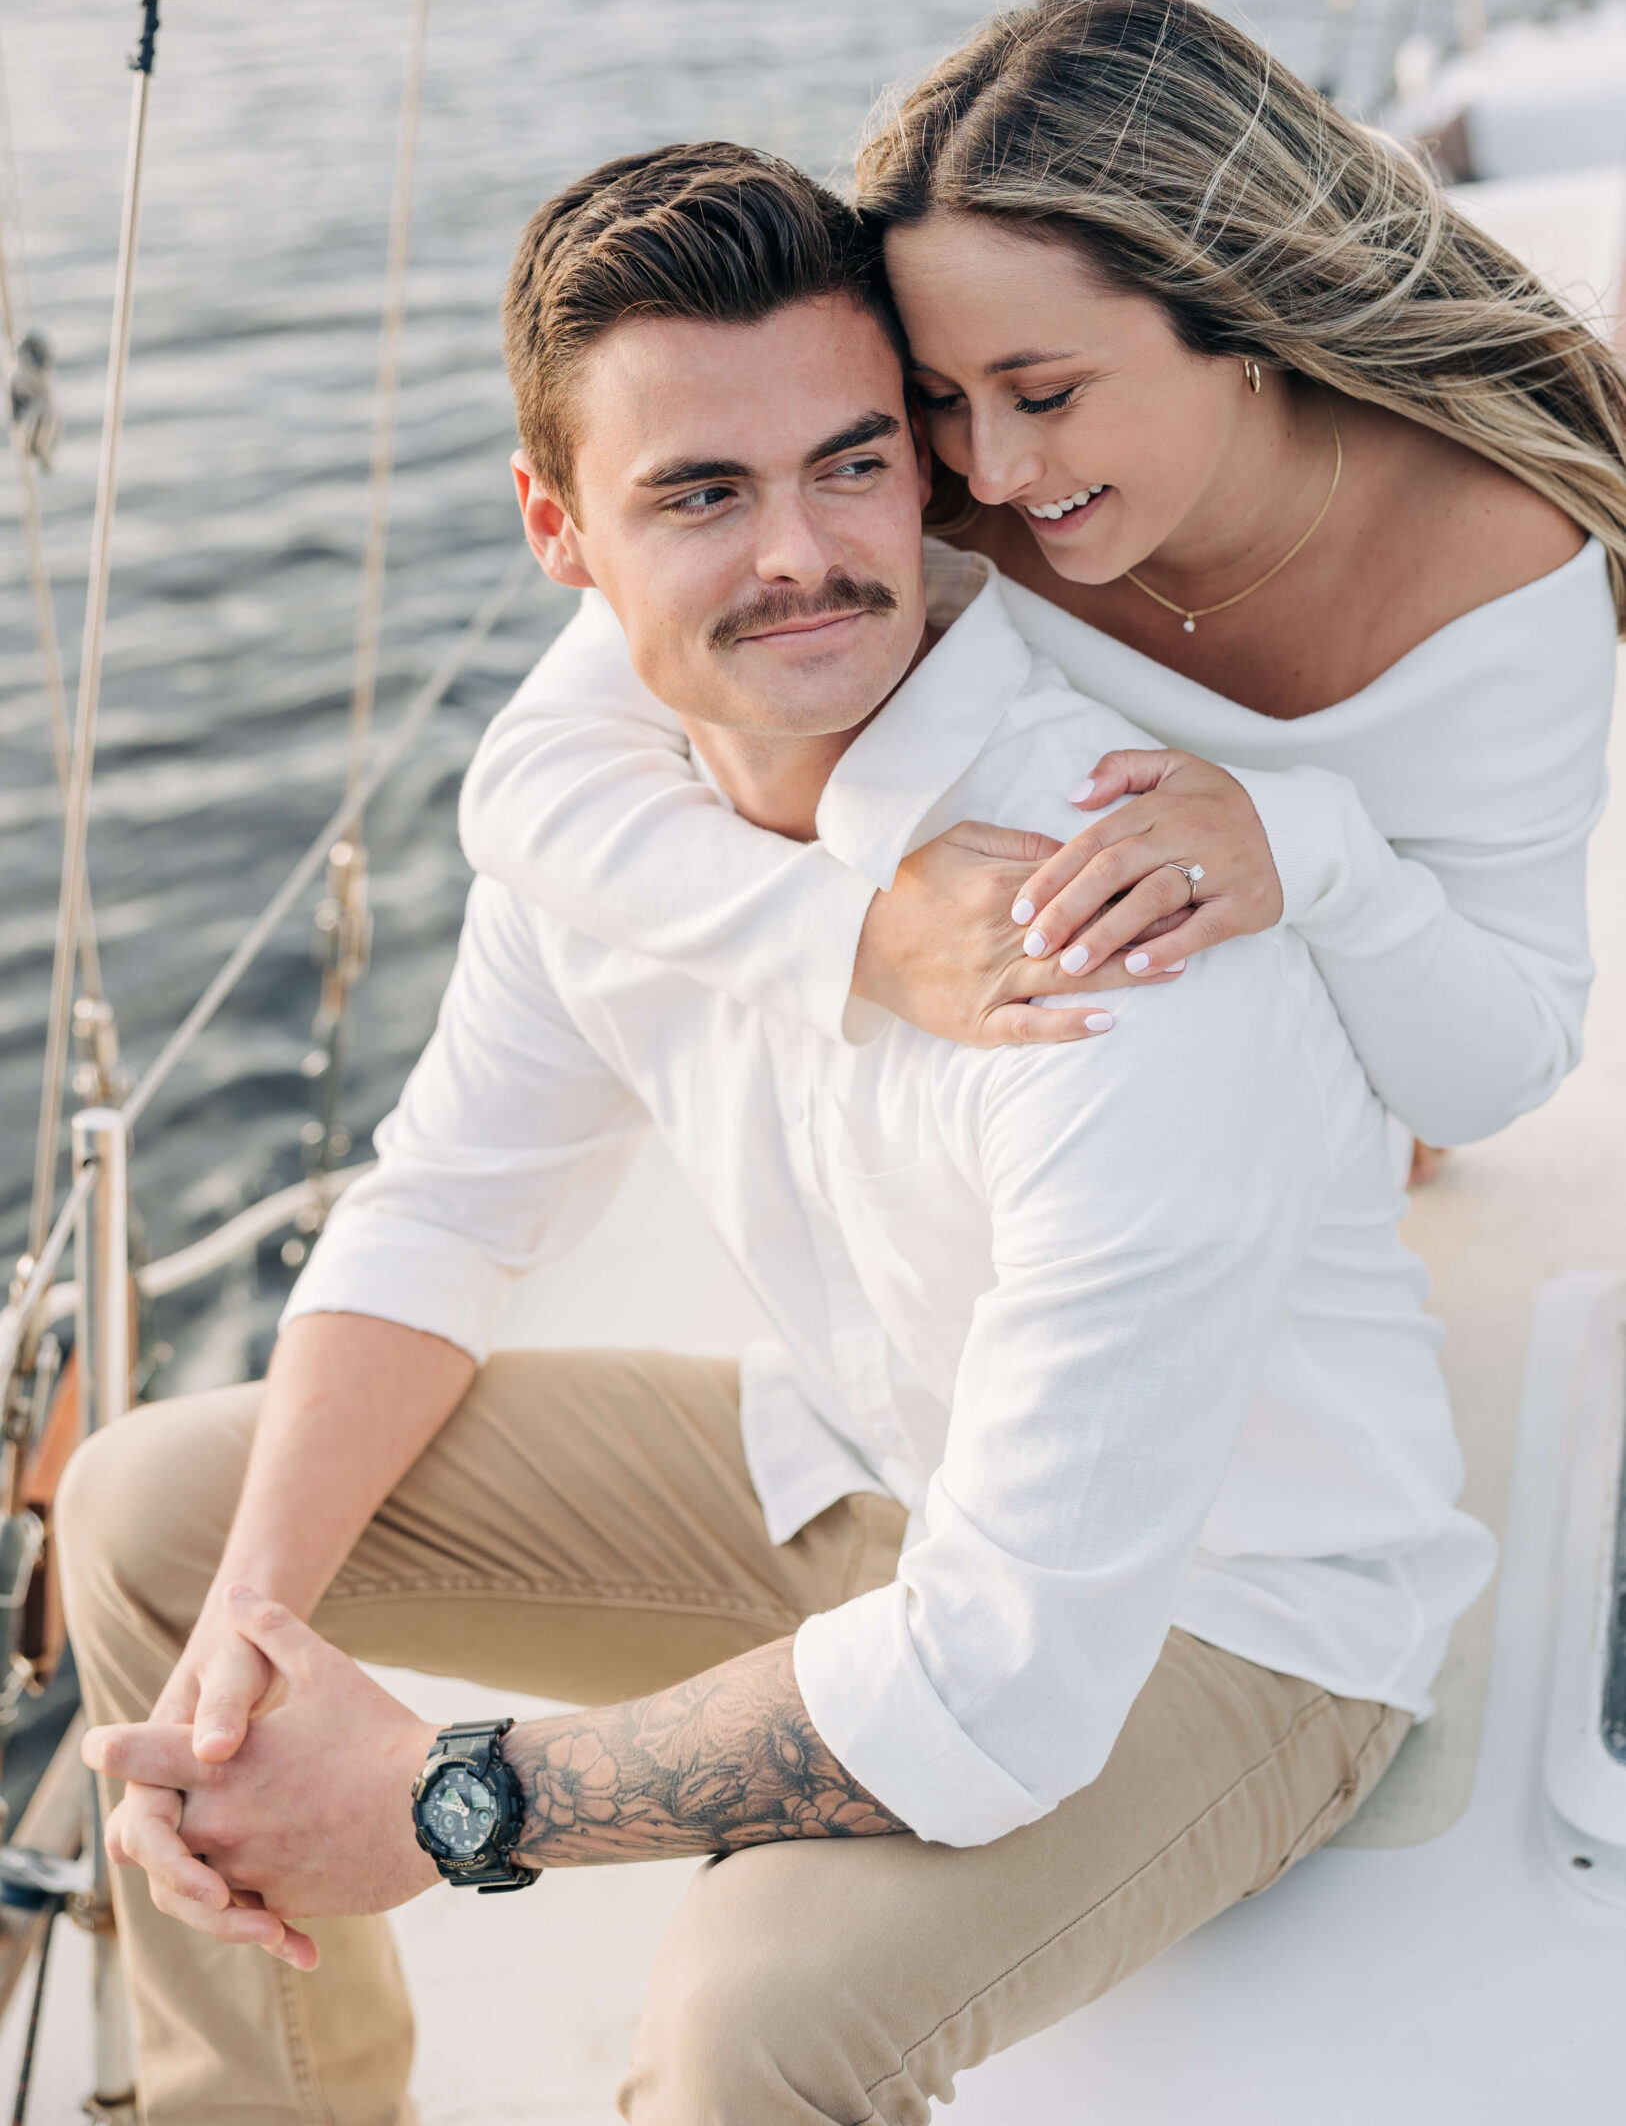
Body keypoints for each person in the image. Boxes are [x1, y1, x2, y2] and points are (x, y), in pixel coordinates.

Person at [63, 145, 1492, 2126]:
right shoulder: (618, 805)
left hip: (1218, 1611)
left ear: (923, 462)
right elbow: (448, 1208)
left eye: (847, 462)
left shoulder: (1107, 908)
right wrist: (253, 1647)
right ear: (559, 530)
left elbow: (1006, 1680)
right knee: (160, 1519)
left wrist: (432, 1793)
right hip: (861, 1472)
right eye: (702, 493)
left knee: (755, 2021)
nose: (805, 554)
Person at [460, 0, 1623, 1182]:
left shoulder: (1496, 547)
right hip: (1101, 1097)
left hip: (1349, 1134)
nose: (992, 467)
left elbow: (1491, 1081)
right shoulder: (921, 486)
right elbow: (524, 784)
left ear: (1242, 315)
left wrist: (1305, 843)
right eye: (941, 398)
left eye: (1049, 392)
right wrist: (861, 941)